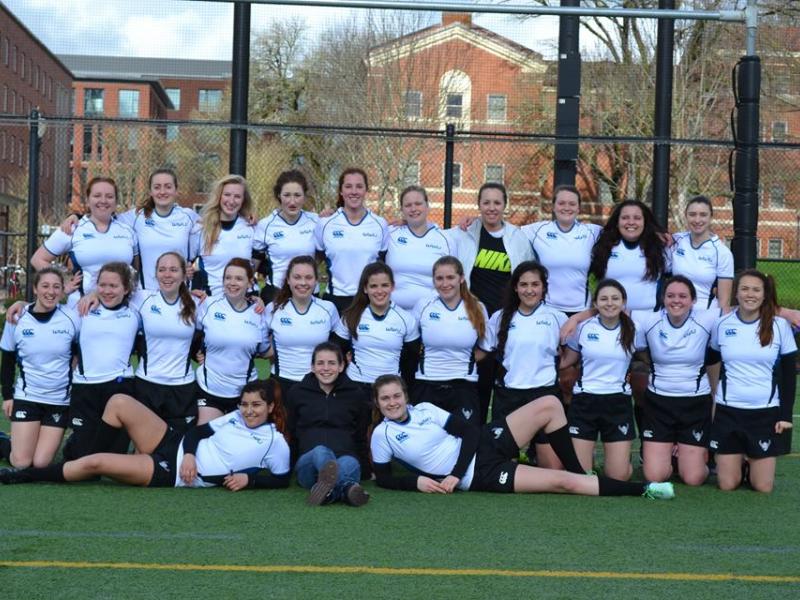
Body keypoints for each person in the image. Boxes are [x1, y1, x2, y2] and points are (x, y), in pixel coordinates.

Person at [370, 375, 674, 500]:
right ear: (378, 403)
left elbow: (471, 432)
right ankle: (644, 490)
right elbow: (383, 478)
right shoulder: (382, 435)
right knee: (563, 484)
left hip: (484, 443)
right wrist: (416, 482)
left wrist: (454, 473)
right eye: (386, 399)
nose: (393, 402)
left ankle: (578, 468)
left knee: (551, 405)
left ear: (405, 395)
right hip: (481, 475)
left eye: (397, 395)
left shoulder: (424, 409)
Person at [0, 380, 291, 491]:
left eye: (256, 405)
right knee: (118, 402)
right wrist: (189, 453)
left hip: (173, 474)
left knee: (95, 464)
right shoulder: (235, 417)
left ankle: (25, 475)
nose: (249, 411)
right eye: (245, 404)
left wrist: (249, 479)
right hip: (175, 443)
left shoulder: (274, 442)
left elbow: (280, 478)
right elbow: (200, 432)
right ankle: (82, 460)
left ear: (270, 407)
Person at [451, 182, 534, 423]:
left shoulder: (517, 237)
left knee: (507, 384)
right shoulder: (465, 232)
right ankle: (472, 439)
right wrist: (402, 223)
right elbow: (430, 232)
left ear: (505, 205)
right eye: (486, 202)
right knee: (479, 383)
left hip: (507, 321)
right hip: (474, 319)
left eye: (497, 202)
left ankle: (506, 441)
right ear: (478, 205)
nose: (491, 208)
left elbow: (528, 274)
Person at [708, 269, 797, 493]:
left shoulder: (779, 326)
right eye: (744, 289)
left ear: (765, 295)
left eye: (756, 290)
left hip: (764, 413)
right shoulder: (722, 324)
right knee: (727, 484)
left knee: (763, 486)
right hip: (729, 411)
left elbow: (788, 375)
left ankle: (751, 464)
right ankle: (740, 462)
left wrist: (785, 415)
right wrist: (712, 401)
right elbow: (711, 361)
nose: (750, 294)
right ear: (735, 293)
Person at [631, 275, 718, 486]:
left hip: (694, 403)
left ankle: (691, 456)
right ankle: (668, 455)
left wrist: (788, 313)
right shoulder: (647, 320)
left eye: (682, 296)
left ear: (693, 300)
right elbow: (612, 309)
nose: (676, 300)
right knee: (654, 476)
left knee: (693, 478)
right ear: (663, 298)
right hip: (659, 403)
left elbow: (745, 307)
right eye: (670, 296)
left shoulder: (708, 319)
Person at [478, 261, 566, 468]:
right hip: (508, 396)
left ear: (543, 287)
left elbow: (571, 354)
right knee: (501, 465)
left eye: (535, 284)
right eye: (524, 285)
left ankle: (536, 453)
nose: (529, 290)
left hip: (545, 395)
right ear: (515, 287)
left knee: (552, 468)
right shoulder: (499, 317)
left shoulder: (557, 318)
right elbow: (484, 351)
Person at [0, 267, 79, 467]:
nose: (50, 292)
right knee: (21, 462)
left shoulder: (72, 318)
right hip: (28, 397)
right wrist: (8, 396)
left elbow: (80, 352)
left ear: (62, 291)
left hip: (59, 400)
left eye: (56, 287)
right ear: (35, 289)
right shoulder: (17, 317)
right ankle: (3, 442)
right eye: (45, 286)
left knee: (42, 463)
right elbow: (8, 359)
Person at [63, 262, 141, 460]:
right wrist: (22, 305)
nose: (107, 291)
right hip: (85, 388)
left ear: (126, 289)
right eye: (102, 285)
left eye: (113, 286)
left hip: (119, 388)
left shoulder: (136, 312)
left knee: (113, 458)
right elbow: (51, 313)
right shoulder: (83, 308)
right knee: (81, 460)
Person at [560, 279, 636, 480]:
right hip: (585, 401)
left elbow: (647, 356)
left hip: (618, 402)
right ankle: (588, 455)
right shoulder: (584, 328)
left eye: (615, 298)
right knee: (580, 475)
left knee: (618, 477)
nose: (609, 303)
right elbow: (569, 360)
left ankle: (619, 461)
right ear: (595, 304)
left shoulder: (636, 329)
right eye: (603, 299)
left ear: (623, 302)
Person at [32, 177, 137, 307]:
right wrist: (63, 284)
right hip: (81, 307)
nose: (103, 201)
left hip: (120, 308)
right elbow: (38, 259)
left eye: (109, 196)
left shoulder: (127, 231)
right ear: (87, 200)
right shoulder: (73, 228)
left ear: (116, 202)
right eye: (97, 195)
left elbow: (136, 269)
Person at [287, 342, 371, 506]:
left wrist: (366, 470)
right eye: (320, 363)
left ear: (341, 366)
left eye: (332, 363)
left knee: (350, 461)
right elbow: (292, 432)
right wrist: (288, 469)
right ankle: (347, 489)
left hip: (345, 458)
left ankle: (328, 493)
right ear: (312, 367)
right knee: (320, 451)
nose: (326, 368)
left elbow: (360, 435)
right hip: (309, 464)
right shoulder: (297, 393)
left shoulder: (356, 394)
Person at [128, 251, 202, 433]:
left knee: (177, 451)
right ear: (155, 274)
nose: (167, 275)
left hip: (182, 387)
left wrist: (256, 300)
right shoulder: (141, 299)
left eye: (173, 270)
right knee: (143, 448)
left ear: (185, 274)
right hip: (147, 384)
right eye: (162, 270)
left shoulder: (198, 303)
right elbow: (110, 290)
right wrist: (93, 296)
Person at [410, 256, 488, 426]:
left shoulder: (478, 308)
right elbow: (412, 341)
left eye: (450, 277)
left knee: (465, 441)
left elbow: (485, 348)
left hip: (464, 385)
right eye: (439, 278)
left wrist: (462, 360)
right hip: (427, 383)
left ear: (461, 278)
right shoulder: (423, 306)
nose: (445, 284)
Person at [195, 258, 270, 425]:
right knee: (205, 439)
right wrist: (198, 354)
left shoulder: (259, 313)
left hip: (245, 394)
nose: (232, 283)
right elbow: (188, 334)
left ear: (250, 282)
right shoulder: (207, 305)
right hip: (209, 389)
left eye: (239, 278)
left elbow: (266, 351)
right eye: (228, 278)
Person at [332, 262, 419, 394]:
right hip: (356, 387)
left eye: (385, 285)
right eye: (373, 286)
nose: (379, 291)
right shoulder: (351, 316)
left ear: (392, 287)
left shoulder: (406, 319)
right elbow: (337, 352)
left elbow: (411, 360)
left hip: (390, 390)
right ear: (365, 289)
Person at [264, 256, 339, 399]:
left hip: (318, 385)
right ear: (288, 280)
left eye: (309, 277)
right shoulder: (273, 309)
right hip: (281, 383)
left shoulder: (328, 309)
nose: (303, 283)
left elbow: (339, 346)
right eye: (297, 277)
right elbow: (260, 346)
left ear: (316, 280)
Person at [315, 168, 389, 314]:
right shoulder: (325, 224)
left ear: (366, 190)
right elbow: (317, 259)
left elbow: (384, 263)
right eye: (348, 186)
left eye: (359, 186)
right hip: (335, 299)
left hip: (370, 299)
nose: (354, 191)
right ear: (341, 191)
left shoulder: (380, 224)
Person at [521, 185, 602, 314]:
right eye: (561, 203)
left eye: (572, 204)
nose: (566, 208)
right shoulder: (538, 231)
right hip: (547, 310)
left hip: (582, 311)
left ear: (578, 208)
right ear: (553, 207)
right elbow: (508, 232)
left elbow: (618, 232)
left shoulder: (592, 232)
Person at [589, 199, 670, 312]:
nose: (631, 222)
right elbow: (591, 280)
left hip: (650, 318)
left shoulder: (661, 248)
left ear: (645, 222)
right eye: (625, 218)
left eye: (637, 218)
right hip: (613, 318)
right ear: (617, 222)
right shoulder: (604, 247)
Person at [385, 185, 456, 311]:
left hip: (432, 313)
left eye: (418, 204)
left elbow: (454, 279)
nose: (413, 209)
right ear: (402, 209)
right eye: (408, 205)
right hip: (394, 312)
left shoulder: (444, 239)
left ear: (427, 206)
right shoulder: (390, 234)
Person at [253, 170, 319, 303]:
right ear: (279, 196)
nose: (292, 201)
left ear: (304, 197)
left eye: (297, 195)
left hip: (308, 292)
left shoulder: (317, 222)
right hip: (276, 292)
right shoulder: (265, 225)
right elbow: (253, 264)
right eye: (287, 195)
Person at [191, 174, 256, 296]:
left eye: (237, 196)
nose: (231, 201)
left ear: (243, 200)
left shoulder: (251, 228)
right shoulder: (200, 229)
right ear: (219, 196)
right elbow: (186, 265)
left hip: (244, 300)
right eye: (227, 195)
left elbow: (258, 264)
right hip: (211, 300)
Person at [670, 196, 733, 311]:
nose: (697, 220)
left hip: (705, 316)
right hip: (676, 313)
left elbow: (724, 302)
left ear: (710, 217)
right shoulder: (676, 241)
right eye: (692, 214)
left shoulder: (722, 252)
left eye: (703, 215)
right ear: (686, 216)